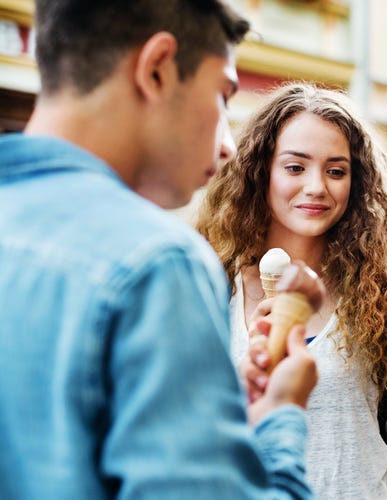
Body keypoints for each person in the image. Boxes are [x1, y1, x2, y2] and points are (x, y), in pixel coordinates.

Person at [0, 1, 326, 498]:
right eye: (221, 95)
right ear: (157, 68)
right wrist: (279, 419)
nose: (228, 146)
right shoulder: (158, 262)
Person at [196, 82, 387, 500]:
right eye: (295, 167)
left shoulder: (381, 290)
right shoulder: (213, 285)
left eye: (336, 171)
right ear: (260, 171)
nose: (317, 186)